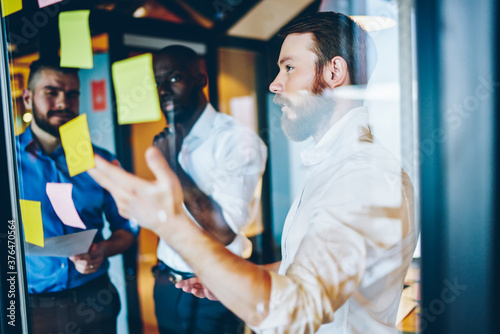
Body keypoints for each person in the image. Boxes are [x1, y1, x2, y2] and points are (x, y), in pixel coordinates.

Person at [89, 11, 417, 333]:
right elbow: (305, 270)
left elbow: (296, 312)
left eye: (289, 67)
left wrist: (167, 221)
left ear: (334, 72)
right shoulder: (333, 165)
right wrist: (230, 280)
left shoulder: (362, 176)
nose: (274, 84)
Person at [150, 45, 268, 334]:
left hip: (216, 290)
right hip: (166, 281)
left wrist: (172, 167)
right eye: (158, 82)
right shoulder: (168, 139)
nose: (163, 89)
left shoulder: (237, 140)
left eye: (174, 78)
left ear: (200, 81)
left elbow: (223, 229)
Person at [17, 58, 138, 334]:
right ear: (27, 98)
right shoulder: (7, 164)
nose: (63, 102)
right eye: (51, 92)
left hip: (95, 301)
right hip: (33, 309)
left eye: (72, 94)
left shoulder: (102, 162)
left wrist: (102, 250)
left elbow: (128, 227)